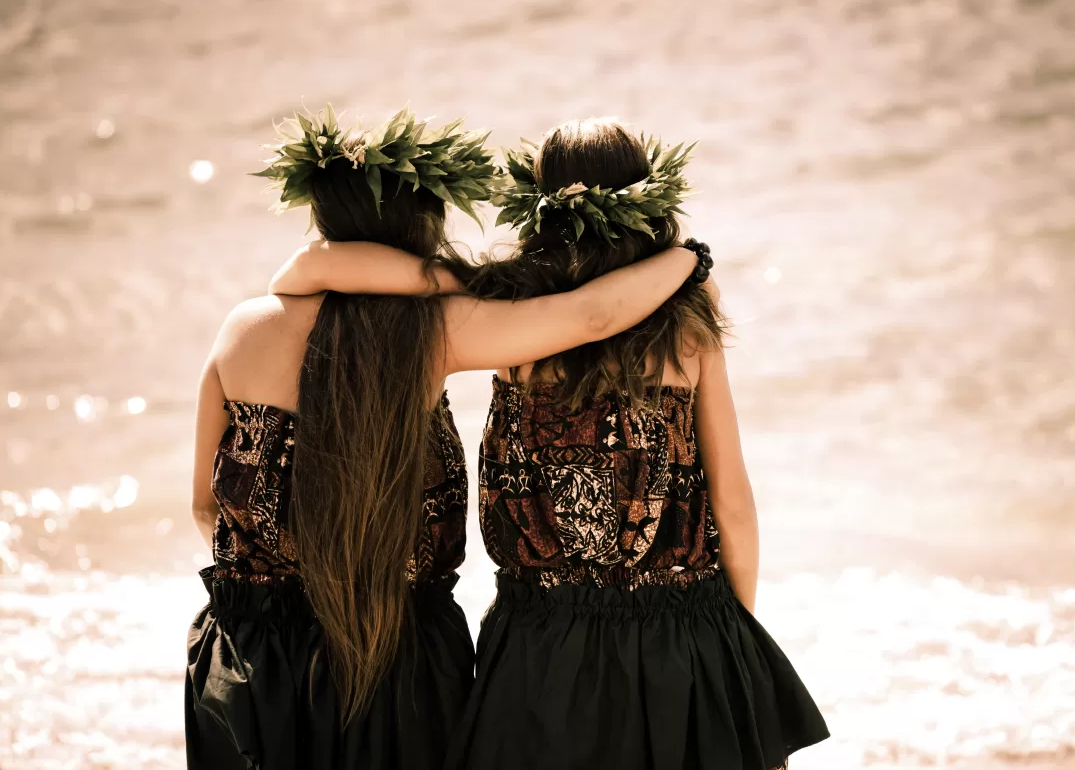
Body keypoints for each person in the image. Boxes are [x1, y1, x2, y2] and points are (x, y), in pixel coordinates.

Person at [272, 117, 829, 770]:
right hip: (682, 629)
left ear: (540, 208)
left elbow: (315, 271)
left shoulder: (505, 306)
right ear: (650, 200)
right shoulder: (686, 313)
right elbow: (730, 497)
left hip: (539, 642)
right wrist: (736, 642)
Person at [185, 107, 708, 770]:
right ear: (421, 226)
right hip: (400, 650)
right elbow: (592, 315)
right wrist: (691, 258)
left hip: (251, 650)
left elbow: (204, 504)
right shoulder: (437, 331)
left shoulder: (243, 330)